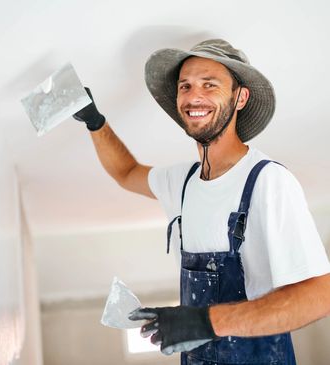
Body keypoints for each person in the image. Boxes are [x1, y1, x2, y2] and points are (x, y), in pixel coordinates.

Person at [73, 39, 330, 365]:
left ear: (240, 97)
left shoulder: (268, 182)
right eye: (186, 86)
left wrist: (203, 322)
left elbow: (321, 296)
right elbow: (126, 172)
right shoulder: (182, 183)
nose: (194, 96)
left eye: (210, 85)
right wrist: (95, 121)